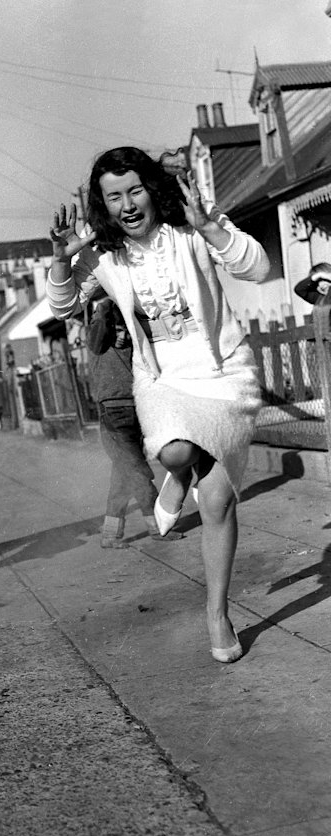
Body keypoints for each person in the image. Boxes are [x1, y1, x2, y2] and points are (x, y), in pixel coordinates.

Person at [47, 146, 270, 663]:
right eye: (113, 196)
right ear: (101, 205)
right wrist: (61, 258)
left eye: (134, 190)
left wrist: (212, 226)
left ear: (152, 190)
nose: (127, 203)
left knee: (216, 503)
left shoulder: (190, 230)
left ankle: (216, 613)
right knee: (172, 453)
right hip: (162, 375)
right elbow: (63, 306)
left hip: (222, 371)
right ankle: (180, 470)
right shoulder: (102, 255)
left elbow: (257, 269)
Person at [86, 298, 182, 545]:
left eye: (124, 331)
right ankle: (157, 527)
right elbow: (102, 321)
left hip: (134, 411)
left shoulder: (131, 347)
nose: (121, 337)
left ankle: (110, 534)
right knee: (138, 472)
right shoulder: (98, 344)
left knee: (124, 474)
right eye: (116, 331)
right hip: (112, 415)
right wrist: (109, 300)